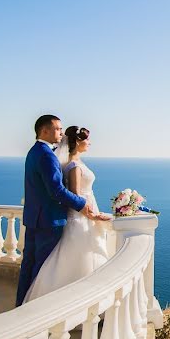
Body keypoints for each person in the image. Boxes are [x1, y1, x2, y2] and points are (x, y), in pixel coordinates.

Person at [22, 125, 113, 303]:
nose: (89, 143)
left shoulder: (48, 156)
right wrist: (91, 214)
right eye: (87, 139)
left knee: (37, 264)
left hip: (47, 216)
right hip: (79, 216)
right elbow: (72, 194)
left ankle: (25, 302)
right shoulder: (73, 166)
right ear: (78, 141)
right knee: (78, 261)